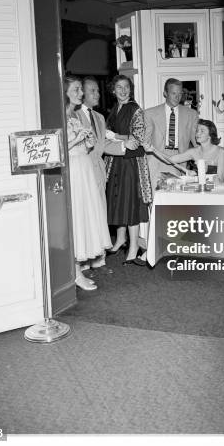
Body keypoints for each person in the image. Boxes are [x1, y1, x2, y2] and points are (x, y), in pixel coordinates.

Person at [78, 76, 137, 273]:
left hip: (98, 172)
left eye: (97, 90)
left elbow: (104, 145)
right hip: (81, 173)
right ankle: (82, 262)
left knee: (98, 215)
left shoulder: (99, 117)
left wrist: (124, 145)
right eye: (92, 91)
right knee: (84, 217)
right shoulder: (73, 116)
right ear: (81, 93)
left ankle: (98, 259)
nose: (97, 94)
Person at [65, 74, 113, 291]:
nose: (81, 94)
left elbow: (86, 148)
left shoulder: (74, 119)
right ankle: (75, 272)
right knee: (76, 220)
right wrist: (77, 140)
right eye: (76, 90)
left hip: (85, 169)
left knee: (85, 218)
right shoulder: (58, 118)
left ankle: (77, 270)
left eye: (80, 90)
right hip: (74, 173)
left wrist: (88, 143)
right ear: (64, 93)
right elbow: (57, 151)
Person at [105, 74, 152, 265]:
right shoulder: (115, 109)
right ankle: (121, 239)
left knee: (130, 203)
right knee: (119, 201)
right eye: (119, 87)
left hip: (131, 163)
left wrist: (115, 135)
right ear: (113, 90)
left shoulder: (135, 109)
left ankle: (133, 246)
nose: (123, 91)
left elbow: (137, 139)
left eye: (126, 87)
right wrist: (118, 139)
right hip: (117, 160)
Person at [144, 78, 198, 190]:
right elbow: (146, 140)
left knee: (176, 199)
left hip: (180, 160)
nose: (177, 97)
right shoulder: (150, 113)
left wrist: (202, 160)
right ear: (165, 93)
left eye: (180, 94)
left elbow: (195, 141)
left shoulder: (191, 114)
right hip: (156, 159)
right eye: (173, 93)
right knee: (157, 198)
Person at [157, 119, 224, 183]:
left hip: (215, 193)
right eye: (197, 130)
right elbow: (169, 160)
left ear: (210, 135)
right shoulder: (193, 152)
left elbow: (221, 180)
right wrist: (153, 150)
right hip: (198, 191)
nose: (197, 133)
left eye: (202, 131)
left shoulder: (220, 152)